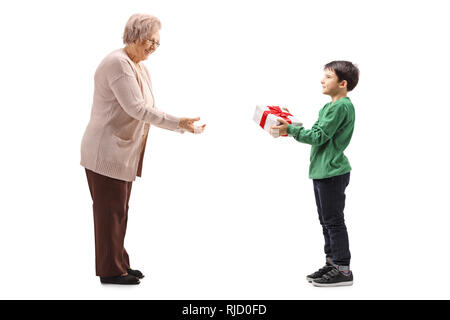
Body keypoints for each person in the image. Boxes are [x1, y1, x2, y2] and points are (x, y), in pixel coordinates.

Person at [80, 13, 206, 285]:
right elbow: (137, 109)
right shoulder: (118, 64)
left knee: (118, 211)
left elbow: (145, 107)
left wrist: (177, 123)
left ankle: (119, 263)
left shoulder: (139, 67)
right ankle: (111, 271)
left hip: (122, 152)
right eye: (151, 40)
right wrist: (178, 123)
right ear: (135, 35)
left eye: (157, 43)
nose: (153, 47)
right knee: (109, 212)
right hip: (105, 151)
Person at [271, 61, 359, 287]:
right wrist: (291, 125)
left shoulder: (341, 107)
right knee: (326, 221)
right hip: (322, 171)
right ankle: (332, 264)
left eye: (328, 77)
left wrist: (290, 130)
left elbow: (318, 136)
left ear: (343, 83)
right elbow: (316, 133)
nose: (322, 80)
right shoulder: (330, 107)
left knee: (334, 221)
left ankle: (343, 269)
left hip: (332, 172)